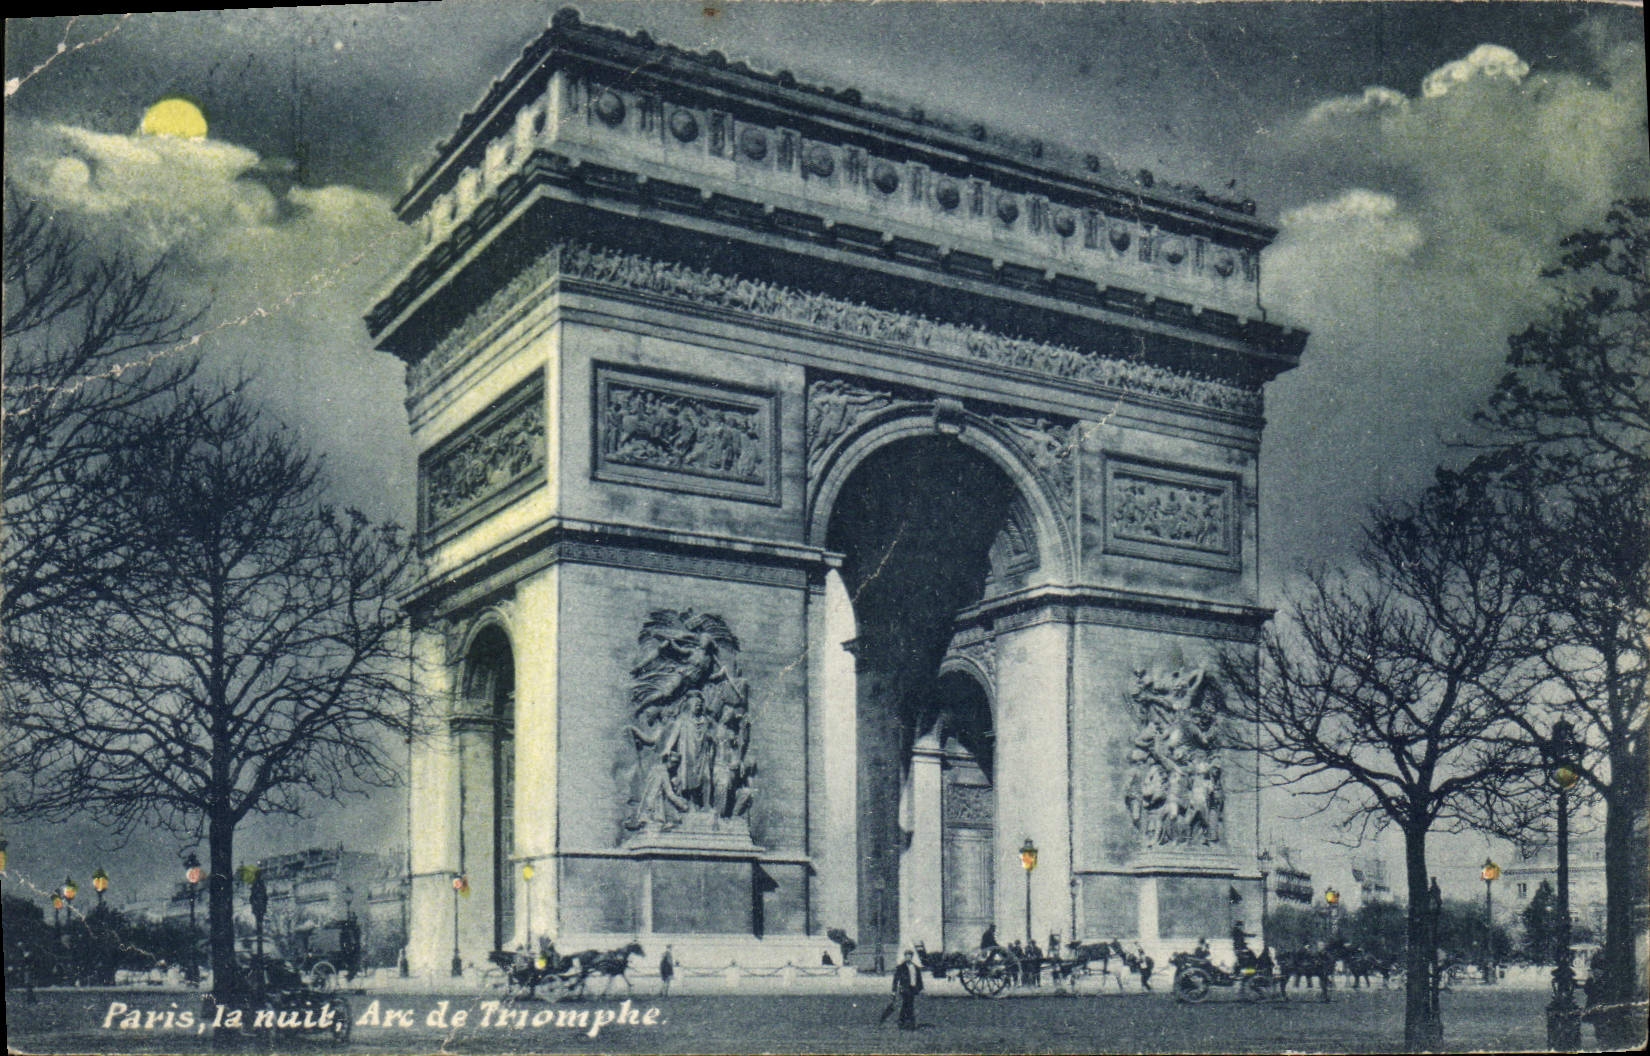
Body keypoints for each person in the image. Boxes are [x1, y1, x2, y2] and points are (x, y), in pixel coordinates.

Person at [891, 949, 923, 1030]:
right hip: (905, 988)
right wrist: (894, 990)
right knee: (908, 1005)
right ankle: (908, 1023)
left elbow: (919, 979)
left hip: (913, 989)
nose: (908, 958)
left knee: (907, 1005)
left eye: (910, 956)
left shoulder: (915, 967)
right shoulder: (901, 967)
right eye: (906, 956)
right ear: (905, 957)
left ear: (912, 957)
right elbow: (896, 979)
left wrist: (919, 988)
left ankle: (904, 1022)